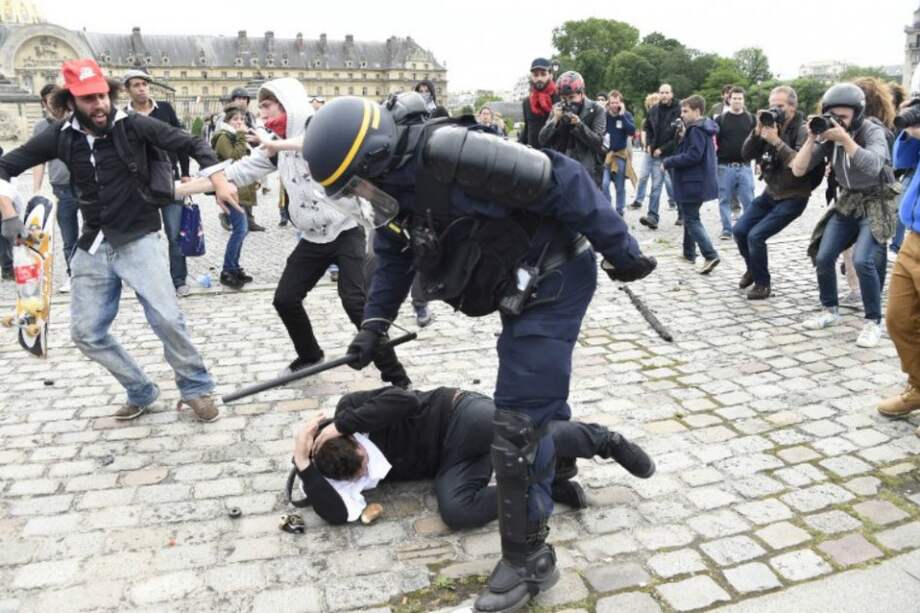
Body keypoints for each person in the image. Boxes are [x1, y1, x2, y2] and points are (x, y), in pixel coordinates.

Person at [299, 94, 656, 612]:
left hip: (555, 278)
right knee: (535, 407)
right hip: (516, 285)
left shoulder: (454, 153)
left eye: (355, 182)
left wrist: (622, 251)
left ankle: (528, 559)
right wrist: (373, 326)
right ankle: (561, 469)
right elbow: (398, 251)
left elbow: (566, 180)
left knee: (517, 425)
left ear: (376, 158)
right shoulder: (395, 191)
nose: (358, 194)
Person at [0, 58, 238, 420]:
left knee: (168, 320)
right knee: (85, 333)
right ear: (71, 101)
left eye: (101, 95)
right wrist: (9, 214)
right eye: (88, 99)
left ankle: (196, 388)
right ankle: (141, 390)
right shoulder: (59, 136)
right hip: (93, 244)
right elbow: (5, 166)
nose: (99, 105)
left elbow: (190, 142)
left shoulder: (135, 127)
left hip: (139, 237)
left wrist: (219, 181)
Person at [177, 78, 410, 387]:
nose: (262, 113)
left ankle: (397, 378)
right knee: (285, 299)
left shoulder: (319, 130)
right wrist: (179, 189)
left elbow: (313, 143)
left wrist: (276, 144)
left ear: (288, 104)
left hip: (346, 229)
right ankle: (310, 354)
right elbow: (237, 172)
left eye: (267, 105)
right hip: (313, 239)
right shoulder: (274, 146)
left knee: (355, 302)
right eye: (260, 107)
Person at [291, 386, 655, 526]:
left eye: (364, 460)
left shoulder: (350, 410)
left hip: (457, 416)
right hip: (453, 463)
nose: (368, 471)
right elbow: (337, 514)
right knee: (457, 512)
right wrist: (303, 463)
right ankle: (542, 482)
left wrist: (343, 422)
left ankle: (603, 441)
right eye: (360, 475)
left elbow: (406, 399)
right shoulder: (328, 465)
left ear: (355, 443)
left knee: (517, 433)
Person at [791, 83, 894, 348]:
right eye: (832, 116)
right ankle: (830, 310)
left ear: (857, 113)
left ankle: (873, 322)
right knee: (824, 255)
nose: (837, 122)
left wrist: (845, 139)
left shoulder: (873, 131)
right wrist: (813, 137)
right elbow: (799, 169)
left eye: (843, 117)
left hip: (877, 199)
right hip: (849, 199)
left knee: (862, 260)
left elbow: (873, 165)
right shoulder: (829, 138)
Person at [734, 85, 817, 300]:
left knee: (756, 235)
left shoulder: (802, 130)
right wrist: (757, 131)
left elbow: (799, 165)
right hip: (771, 192)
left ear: (792, 107)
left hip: (794, 196)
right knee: (740, 230)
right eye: (772, 106)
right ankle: (753, 268)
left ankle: (763, 284)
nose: (775, 110)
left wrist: (776, 141)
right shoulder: (771, 125)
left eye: (779, 106)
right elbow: (745, 154)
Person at [122, 69, 194, 298]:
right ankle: (148, 282)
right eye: (136, 85)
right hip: (138, 184)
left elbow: (180, 141)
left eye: (144, 84)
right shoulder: (122, 116)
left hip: (170, 179)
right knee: (145, 236)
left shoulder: (165, 109)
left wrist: (185, 172)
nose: (142, 88)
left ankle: (179, 279)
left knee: (175, 233)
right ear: (127, 89)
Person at [878, 109, 920, 420]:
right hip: (913, 237)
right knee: (899, 318)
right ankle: (918, 386)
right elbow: (902, 161)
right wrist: (910, 132)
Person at [663, 95, 721, 274]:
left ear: (697, 111)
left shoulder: (696, 129)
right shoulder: (700, 128)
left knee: (691, 219)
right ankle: (688, 253)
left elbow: (693, 155)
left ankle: (710, 254)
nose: (682, 114)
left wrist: (669, 161)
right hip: (695, 181)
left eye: (686, 111)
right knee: (690, 217)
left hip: (693, 182)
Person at [31, 83, 80, 293]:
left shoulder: (78, 120)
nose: (55, 104)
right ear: (44, 103)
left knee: (98, 232)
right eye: (50, 100)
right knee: (69, 237)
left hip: (86, 186)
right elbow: (37, 160)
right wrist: (36, 190)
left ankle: (103, 276)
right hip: (62, 188)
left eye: (58, 98)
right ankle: (73, 275)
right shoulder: (41, 128)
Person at [538, 71, 606, 186]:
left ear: (581, 93)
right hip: (560, 168)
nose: (568, 101)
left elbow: (598, 142)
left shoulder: (596, 110)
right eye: (564, 98)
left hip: (585, 171)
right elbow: (542, 139)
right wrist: (554, 120)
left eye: (571, 97)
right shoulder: (557, 108)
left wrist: (579, 125)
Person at [212, 106, 255, 289]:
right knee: (239, 230)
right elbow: (233, 157)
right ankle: (227, 270)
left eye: (242, 119)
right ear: (227, 121)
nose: (239, 122)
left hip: (240, 188)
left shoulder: (235, 137)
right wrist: (240, 135)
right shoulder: (223, 136)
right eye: (235, 119)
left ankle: (234, 267)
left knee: (242, 230)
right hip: (229, 189)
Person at [715, 87, 756, 239]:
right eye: (735, 98)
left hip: (745, 166)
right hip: (725, 166)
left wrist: (757, 161)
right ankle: (726, 229)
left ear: (744, 100)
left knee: (748, 200)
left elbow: (756, 141)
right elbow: (716, 142)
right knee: (724, 199)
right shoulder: (721, 119)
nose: (737, 101)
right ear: (729, 99)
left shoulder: (751, 119)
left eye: (740, 98)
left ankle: (748, 227)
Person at [639, 84, 681, 229]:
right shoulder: (654, 110)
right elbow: (648, 129)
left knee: (676, 186)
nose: (664, 95)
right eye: (661, 92)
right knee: (656, 186)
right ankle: (652, 216)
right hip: (656, 154)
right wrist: (650, 144)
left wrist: (662, 149)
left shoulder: (679, 110)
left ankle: (682, 214)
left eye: (666, 92)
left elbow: (678, 137)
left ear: (671, 94)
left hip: (674, 155)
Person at [601, 90, 636, 215]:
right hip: (606, 156)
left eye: (616, 103)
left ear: (620, 103)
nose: (614, 105)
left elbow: (631, 131)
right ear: (608, 103)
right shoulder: (604, 115)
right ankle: (608, 209)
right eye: (612, 103)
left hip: (619, 155)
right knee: (604, 184)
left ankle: (620, 210)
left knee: (619, 186)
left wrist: (622, 115)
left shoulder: (626, 115)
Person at [518, 57, 558, 149]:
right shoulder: (527, 102)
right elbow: (528, 128)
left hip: (556, 156)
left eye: (543, 74)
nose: (539, 78)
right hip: (534, 155)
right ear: (531, 76)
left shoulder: (559, 97)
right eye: (535, 75)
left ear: (551, 75)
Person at [630, 93, 660, 209]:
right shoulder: (646, 120)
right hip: (649, 152)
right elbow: (643, 133)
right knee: (643, 176)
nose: (652, 107)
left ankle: (673, 200)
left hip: (662, 152)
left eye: (654, 104)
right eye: (650, 105)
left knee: (665, 180)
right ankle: (639, 199)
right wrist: (646, 145)